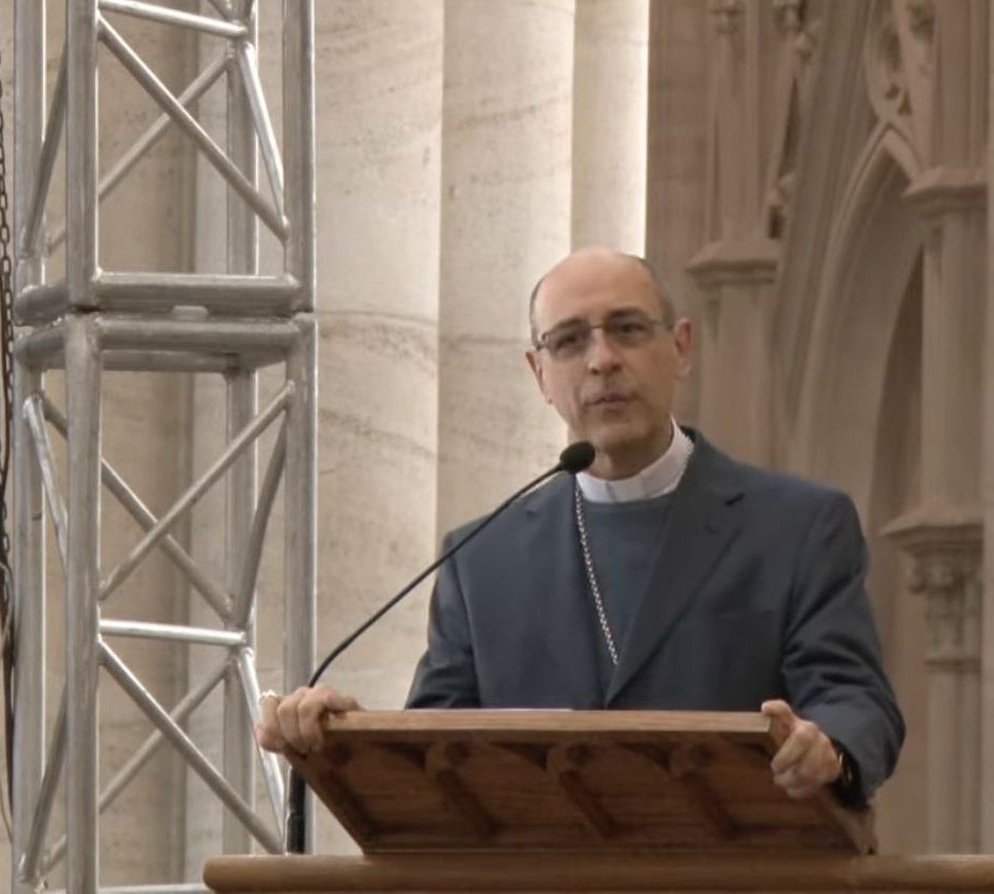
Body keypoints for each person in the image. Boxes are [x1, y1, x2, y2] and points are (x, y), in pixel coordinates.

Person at [257, 247, 904, 806]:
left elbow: (854, 700)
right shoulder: (484, 559)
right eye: (568, 341)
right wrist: (343, 741)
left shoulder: (795, 526)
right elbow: (439, 750)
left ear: (679, 348)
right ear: (540, 374)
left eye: (626, 329)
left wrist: (830, 748)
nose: (601, 360)